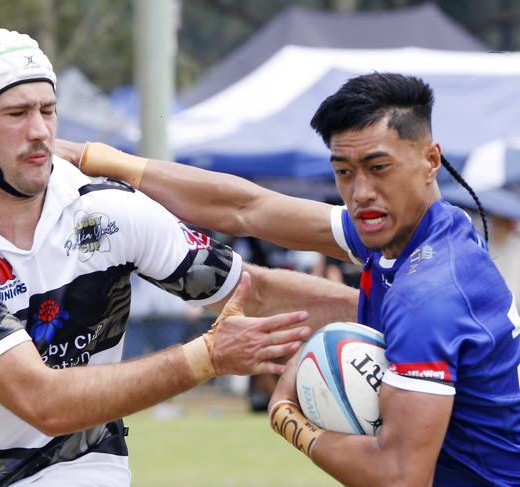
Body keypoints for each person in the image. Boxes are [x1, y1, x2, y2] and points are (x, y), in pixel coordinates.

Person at [0, 29, 358, 486]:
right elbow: (43, 400)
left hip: (84, 462)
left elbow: (256, 291)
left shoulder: (106, 206)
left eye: (49, 109)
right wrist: (206, 356)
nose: (40, 131)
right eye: (17, 113)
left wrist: (394, 317)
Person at [56, 73, 520, 485]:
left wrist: (288, 419)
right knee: (253, 284)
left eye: (379, 168)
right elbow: (247, 208)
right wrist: (93, 158)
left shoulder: (428, 296)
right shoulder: (431, 227)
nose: (361, 193)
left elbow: (399, 476)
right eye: (343, 172)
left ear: (431, 160)